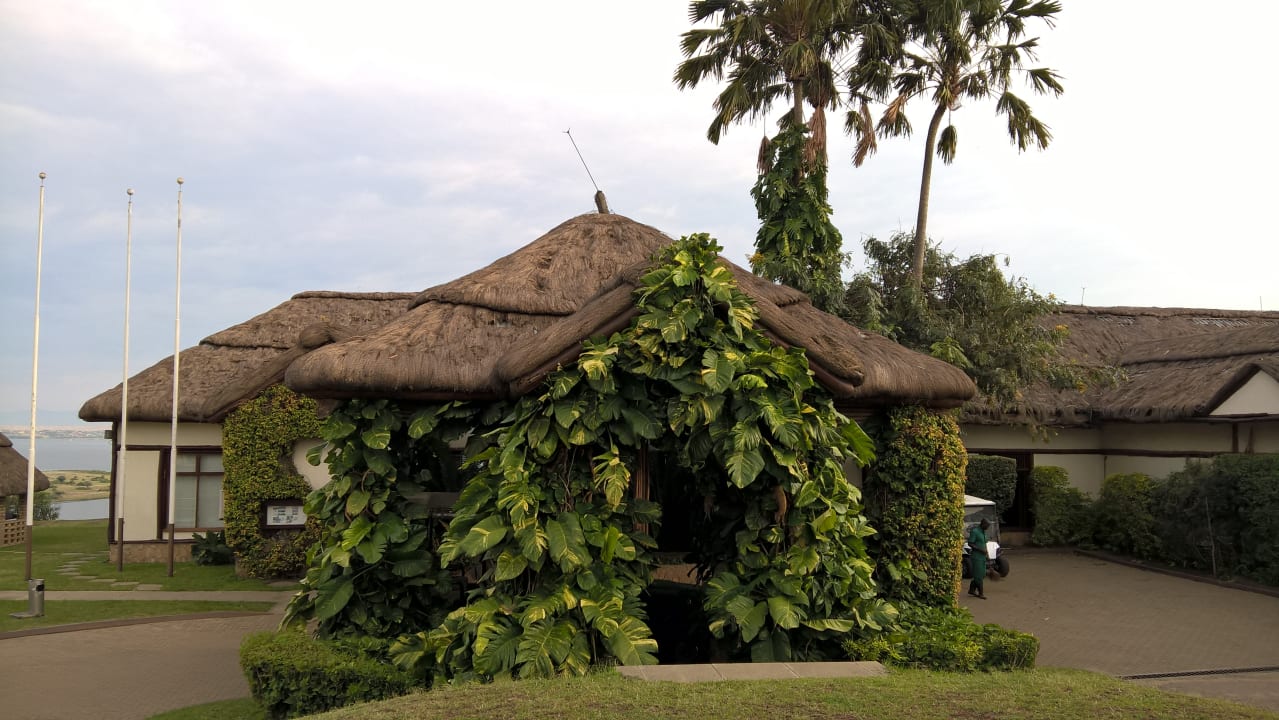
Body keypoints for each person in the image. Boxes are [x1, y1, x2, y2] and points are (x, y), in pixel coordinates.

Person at [967, 518, 990, 599]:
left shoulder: (983, 532)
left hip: (983, 557)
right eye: (987, 526)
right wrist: (980, 550)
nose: (988, 528)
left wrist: (987, 553)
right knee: (979, 576)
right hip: (976, 557)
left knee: (982, 574)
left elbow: (984, 544)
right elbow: (970, 543)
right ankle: (981, 593)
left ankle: (971, 590)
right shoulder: (975, 532)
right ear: (983, 524)